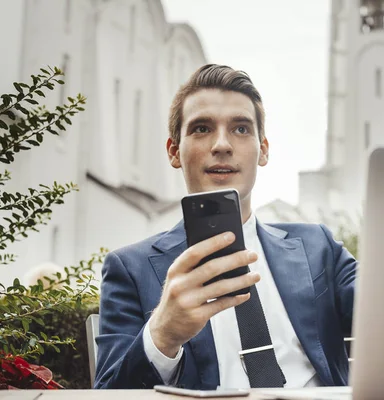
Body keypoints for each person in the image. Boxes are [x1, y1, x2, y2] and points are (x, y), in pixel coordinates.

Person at [94, 64, 357, 390]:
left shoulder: (318, 247)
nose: (222, 144)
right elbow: (107, 394)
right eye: (202, 128)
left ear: (263, 150)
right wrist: (162, 334)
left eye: (241, 129)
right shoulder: (129, 269)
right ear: (174, 151)